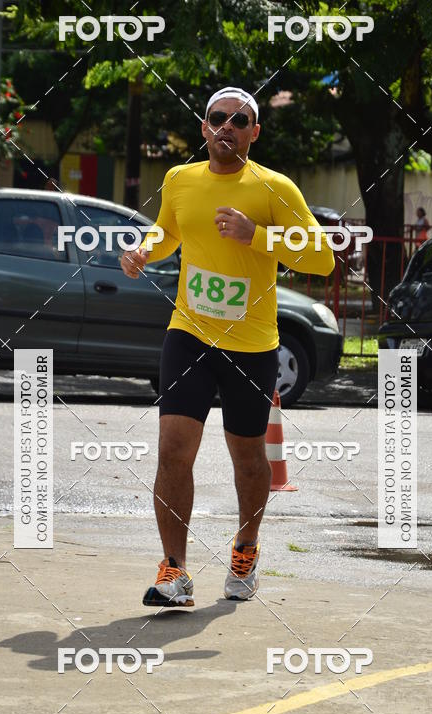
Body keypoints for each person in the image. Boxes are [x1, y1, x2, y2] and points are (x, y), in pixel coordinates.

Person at [121, 86, 335, 609]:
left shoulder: (274, 187)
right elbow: (169, 231)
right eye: (218, 118)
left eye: (240, 120)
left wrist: (256, 235)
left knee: (248, 458)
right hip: (189, 333)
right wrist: (144, 249)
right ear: (204, 127)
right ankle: (174, 571)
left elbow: (322, 258)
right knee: (173, 450)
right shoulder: (179, 179)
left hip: (251, 344)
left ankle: (245, 549)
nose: (228, 127)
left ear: (255, 132)